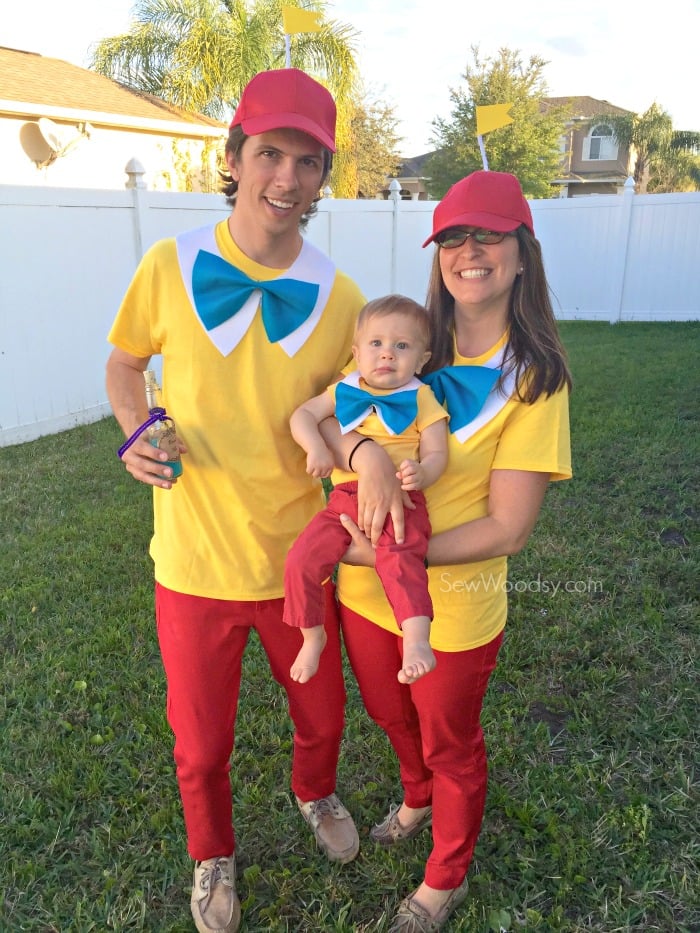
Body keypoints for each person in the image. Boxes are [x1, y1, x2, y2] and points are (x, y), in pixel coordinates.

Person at [105, 68, 366, 933]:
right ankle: (211, 854)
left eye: (306, 161)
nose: (286, 178)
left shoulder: (343, 299)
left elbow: (356, 414)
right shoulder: (171, 264)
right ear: (233, 156)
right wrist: (138, 429)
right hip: (192, 560)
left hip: (301, 560)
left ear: (323, 177)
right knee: (202, 742)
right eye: (269, 154)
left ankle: (314, 792)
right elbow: (124, 361)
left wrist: (353, 460)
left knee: (321, 718)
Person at [332, 170, 572, 931]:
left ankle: (446, 874)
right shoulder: (406, 342)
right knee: (387, 711)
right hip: (362, 596)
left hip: (452, 610)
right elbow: (334, 417)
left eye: (489, 236)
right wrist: (365, 452)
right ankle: (414, 793)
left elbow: (508, 528)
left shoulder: (534, 380)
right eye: (454, 238)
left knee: (450, 740)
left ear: (521, 253)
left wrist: (390, 556)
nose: (471, 252)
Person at [283, 294, 449, 686]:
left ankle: (416, 639)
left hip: (401, 503)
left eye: (402, 346)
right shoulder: (345, 388)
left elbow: (438, 450)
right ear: (357, 353)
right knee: (301, 559)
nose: (387, 354)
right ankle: (312, 634)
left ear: (422, 359)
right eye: (376, 344)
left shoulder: (421, 397)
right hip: (344, 502)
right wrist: (316, 447)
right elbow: (303, 415)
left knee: (403, 557)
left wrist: (423, 471)